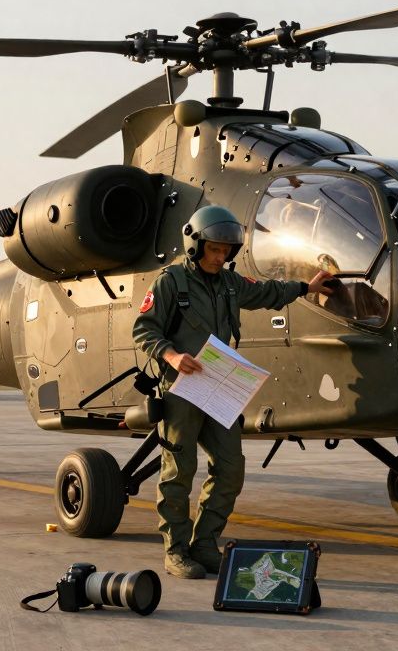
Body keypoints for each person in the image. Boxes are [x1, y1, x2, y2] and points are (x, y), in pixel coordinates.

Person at [132, 205, 335, 579]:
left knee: (230, 469)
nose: (221, 256)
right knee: (180, 470)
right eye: (214, 249)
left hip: (219, 385)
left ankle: (205, 544)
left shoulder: (229, 283)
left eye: (226, 251)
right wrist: (173, 356)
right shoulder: (170, 282)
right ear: (195, 245)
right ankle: (176, 551)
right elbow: (144, 331)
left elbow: (267, 292)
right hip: (181, 390)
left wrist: (306, 287)